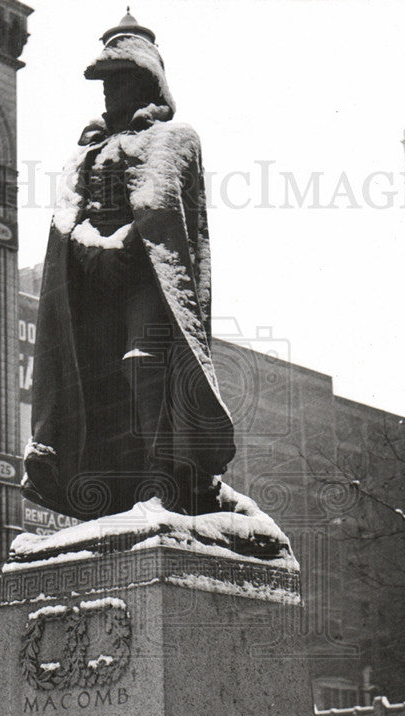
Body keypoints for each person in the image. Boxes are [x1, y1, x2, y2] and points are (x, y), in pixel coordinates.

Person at [22, 9, 236, 520]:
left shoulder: (174, 137)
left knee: (144, 364)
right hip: (92, 283)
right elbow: (65, 217)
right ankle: (106, 486)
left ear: (144, 80)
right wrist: (92, 247)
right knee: (92, 379)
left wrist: (121, 246)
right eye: (102, 80)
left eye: (116, 78)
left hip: (147, 281)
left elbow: (162, 208)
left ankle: (165, 476)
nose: (105, 91)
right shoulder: (86, 150)